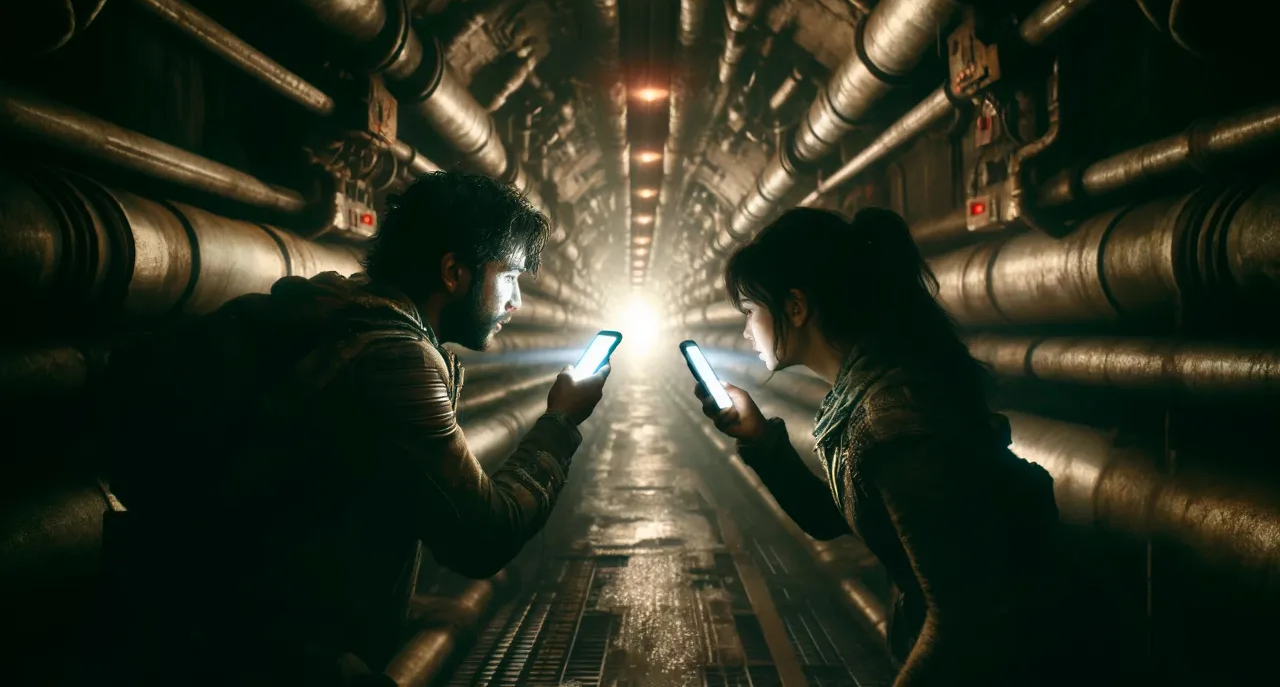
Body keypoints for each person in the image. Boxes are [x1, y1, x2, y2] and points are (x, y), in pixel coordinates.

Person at [93, 172, 610, 685]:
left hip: (202, 635)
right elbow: (482, 537)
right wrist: (560, 421)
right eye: (511, 276)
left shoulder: (335, 313)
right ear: (454, 272)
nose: (516, 301)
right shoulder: (397, 359)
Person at [692, 207, 1081, 685]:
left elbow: (962, 620)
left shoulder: (894, 423)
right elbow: (833, 517)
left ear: (796, 307)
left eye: (750, 312)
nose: (746, 331)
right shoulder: (865, 397)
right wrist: (758, 437)